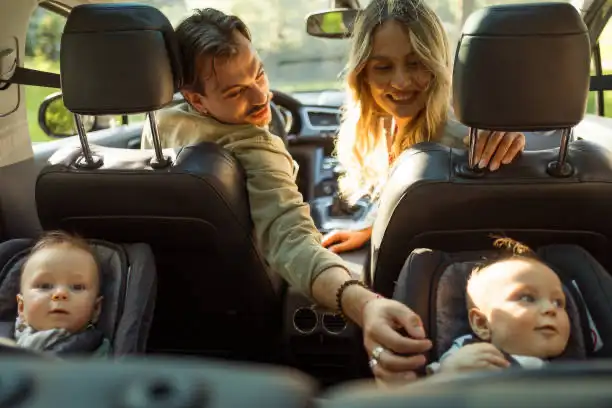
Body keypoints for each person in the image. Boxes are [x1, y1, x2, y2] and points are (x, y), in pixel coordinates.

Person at [141, 8, 431, 387]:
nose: (261, 95)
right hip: (253, 332)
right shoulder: (255, 148)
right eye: (235, 91)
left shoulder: (158, 129)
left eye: (259, 73)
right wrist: (365, 303)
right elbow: (291, 240)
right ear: (196, 100)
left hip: (160, 331)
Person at [321, 0, 527, 254]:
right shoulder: (390, 127)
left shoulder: (463, 145)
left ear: (436, 66)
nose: (400, 82)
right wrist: (371, 229)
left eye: (415, 63)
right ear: (363, 74)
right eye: (383, 67)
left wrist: (505, 143)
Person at [426, 238, 571, 375]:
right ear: (482, 324)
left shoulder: (572, 367)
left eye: (557, 302)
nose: (550, 309)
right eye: (527, 298)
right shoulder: (471, 352)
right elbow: (431, 385)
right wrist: (451, 370)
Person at [6, 231, 110, 356]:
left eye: (77, 287)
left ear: (96, 309)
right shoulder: (5, 339)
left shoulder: (95, 351)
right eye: (45, 286)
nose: (60, 294)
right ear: (21, 307)